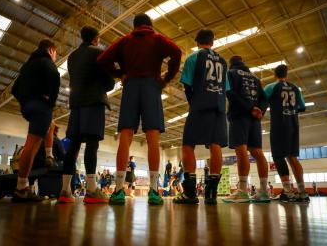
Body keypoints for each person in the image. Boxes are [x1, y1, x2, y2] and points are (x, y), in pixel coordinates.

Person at [97, 13, 182, 205]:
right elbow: (177, 52)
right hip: (152, 86)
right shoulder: (158, 39)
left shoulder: (125, 41)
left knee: (125, 135)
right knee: (153, 137)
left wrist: (121, 73)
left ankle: (118, 190)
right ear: (150, 26)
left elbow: (102, 59)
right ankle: (153, 191)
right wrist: (167, 77)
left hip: (131, 87)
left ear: (134, 26)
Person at [58, 26, 115, 204]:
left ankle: (64, 191)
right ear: (96, 38)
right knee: (92, 143)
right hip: (93, 101)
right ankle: (91, 190)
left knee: (73, 146)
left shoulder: (72, 56)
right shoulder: (98, 52)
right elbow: (109, 81)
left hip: (76, 104)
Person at [174, 29, 229, 205]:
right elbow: (226, 88)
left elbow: (187, 85)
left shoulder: (193, 58)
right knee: (215, 145)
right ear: (212, 42)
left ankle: (190, 194)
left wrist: (194, 103)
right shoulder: (223, 60)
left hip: (200, 104)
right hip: (219, 107)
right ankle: (211, 195)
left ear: (197, 42)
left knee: (187, 145)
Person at [11, 39, 60, 202]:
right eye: (55, 53)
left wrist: (25, 101)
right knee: (31, 146)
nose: (55, 56)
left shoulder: (28, 65)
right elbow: (55, 76)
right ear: (51, 50)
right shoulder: (46, 61)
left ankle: (48, 154)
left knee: (49, 127)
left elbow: (14, 89)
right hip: (41, 106)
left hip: (28, 107)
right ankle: (21, 188)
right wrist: (50, 102)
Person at [223, 55, 270, 203]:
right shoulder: (255, 78)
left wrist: (249, 108)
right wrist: (259, 110)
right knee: (257, 152)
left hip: (239, 116)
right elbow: (265, 99)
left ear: (231, 64)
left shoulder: (230, 73)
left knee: (241, 150)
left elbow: (229, 93)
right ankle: (263, 191)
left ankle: (242, 191)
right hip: (255, 119)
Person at [264, 64, 310, 203]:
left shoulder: (271, 87)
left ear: (274, 75)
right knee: (293, 157)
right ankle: (302, 192)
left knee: (278, 156)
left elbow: (262, 102)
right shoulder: (296, 88)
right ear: (287, 74)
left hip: (279, 124)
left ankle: (288, 192)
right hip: (293, 125)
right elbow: (302, 107)